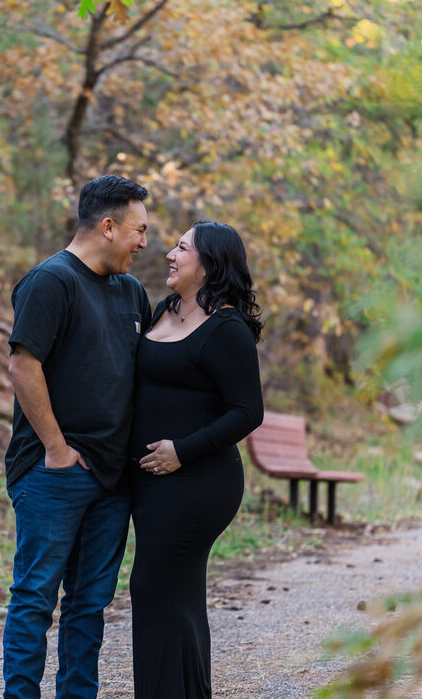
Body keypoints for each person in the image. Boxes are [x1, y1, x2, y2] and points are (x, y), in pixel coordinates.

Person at [2, 175, 152, 699]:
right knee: (36, 599)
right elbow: (24, 366)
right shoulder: (51, 281)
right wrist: (57, 450)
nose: (145, 243)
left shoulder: (132, 291)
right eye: (139, 230)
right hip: (54, 475)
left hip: (112, 481)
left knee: (90, 603)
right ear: (108, 227)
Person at [129, 220, 265, 699]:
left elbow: (249, 412)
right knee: (175, 595)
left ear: (208, 264)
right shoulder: (162, 309)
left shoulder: (227, 328)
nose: (169, 253)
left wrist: (180, 452)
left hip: (197, 483)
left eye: (181, 248)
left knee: (152, 587)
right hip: (152, 484)